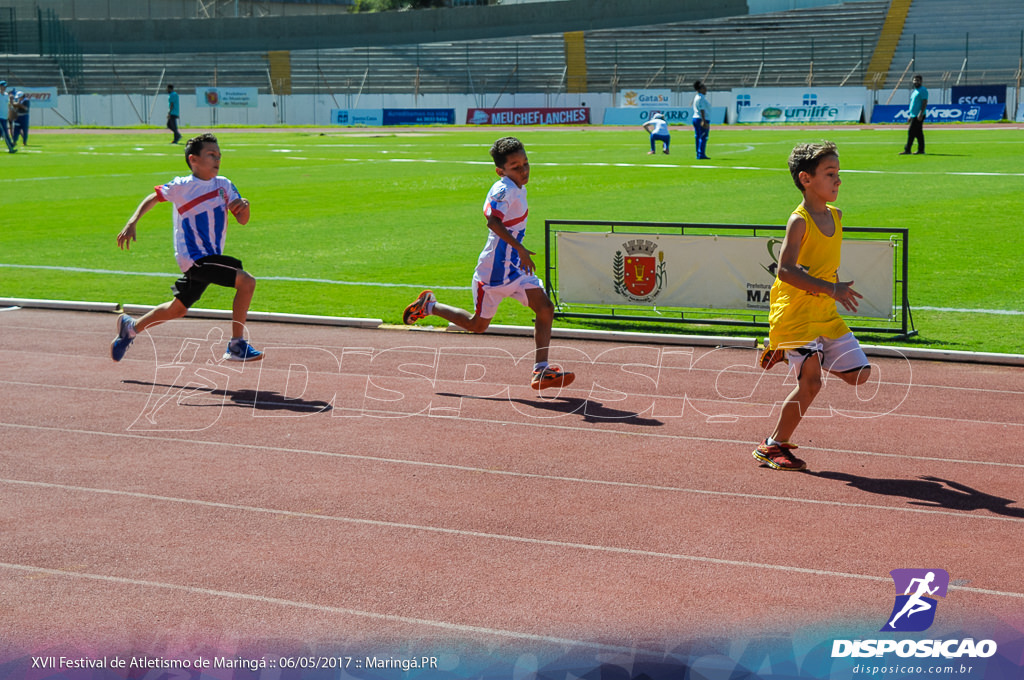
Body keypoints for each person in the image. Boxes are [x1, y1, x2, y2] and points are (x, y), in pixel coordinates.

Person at [402, 136, 574, 391]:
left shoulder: (517, 187)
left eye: (526, 163)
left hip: (514, 268)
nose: (524, 170)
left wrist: (519, 254)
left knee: (545, 308)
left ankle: (541, 370)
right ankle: (430, 306)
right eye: (516, 166)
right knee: (477, 325)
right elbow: (493, 222)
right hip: (494, 270)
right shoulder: (502, 190)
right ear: (500, 170)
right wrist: (521, 249)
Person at [753, 141, 871, 471]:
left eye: (838, 173)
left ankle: (783, 350)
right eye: (830, 174)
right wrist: (830, 288)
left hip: (824, 312)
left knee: (860, 374)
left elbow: (822, 262)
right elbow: (785, 270)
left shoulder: (836, 216)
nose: (838, 180)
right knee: (812, 384)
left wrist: (831, 288)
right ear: (806, 179)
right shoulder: (799, 221)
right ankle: (773, 445)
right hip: (795, 312)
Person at [111, 133, 262, 363]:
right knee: (247, 281)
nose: (217, 159)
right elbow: (154, 197)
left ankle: (130, 328)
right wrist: (132, 222)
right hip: (194, 258)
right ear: (194, 160)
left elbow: (242, 219)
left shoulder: (224, 185)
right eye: (211, 155)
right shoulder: (182, 186)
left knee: (178, 309)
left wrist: (245, 207)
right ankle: (237, 344)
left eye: (219, 155)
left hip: (210, 258)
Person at [900, 74, 927, 155]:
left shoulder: (923, 90)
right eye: (915, 80)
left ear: (921, 81)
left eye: (918, 80)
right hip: (913, 115)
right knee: (918, 133)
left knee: (911, 132)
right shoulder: (915, 91)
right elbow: (913, 104)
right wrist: (910, 115)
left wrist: (920, 113)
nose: (916, 82)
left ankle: (907, 149)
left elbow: (924, 102)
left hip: (918, 115)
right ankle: (921, 150)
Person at [692, 80, 712, 160]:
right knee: (703, 137)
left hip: (696, 118)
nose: (706, 89)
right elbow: (702, 109)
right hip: (701, 118)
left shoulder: (697, 97)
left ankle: (698, 153)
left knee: (698, 136)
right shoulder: (701, 98)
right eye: (704, 88)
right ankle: (701, 154)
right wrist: (703, 120)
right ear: (700, 89)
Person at [0, 81, 15, 153]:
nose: (4, 88)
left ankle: (11, 145)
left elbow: (8, 104)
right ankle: (10, 147)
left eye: (5, 87)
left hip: (4, 117)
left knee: (2, 133)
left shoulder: (6, 95)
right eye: (3, 86)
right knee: (5, 132)